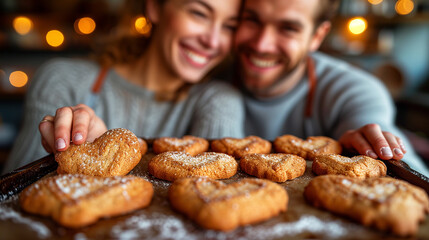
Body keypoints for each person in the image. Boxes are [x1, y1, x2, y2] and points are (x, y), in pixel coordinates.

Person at [2, 0, 244, 173]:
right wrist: (81, 149)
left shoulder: (219, 101)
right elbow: (12, 202)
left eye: (229, 26)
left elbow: (213, 197)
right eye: (199, 13)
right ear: (154, 7)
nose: (212, 40)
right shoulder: (63, 79)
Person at [233, 0, 429, 175]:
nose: (262, 44)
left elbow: (416, 180)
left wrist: (370, 144)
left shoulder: (355, 90)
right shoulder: (209, 73)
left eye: (288, 28)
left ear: (317, 36)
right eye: (252, 20)